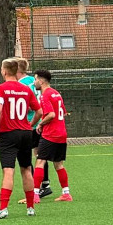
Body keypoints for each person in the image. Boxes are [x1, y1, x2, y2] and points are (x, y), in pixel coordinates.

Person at [0, 58, 40, 218]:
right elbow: (38, 111)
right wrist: (30, 124)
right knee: (26, 169)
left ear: (4, 71)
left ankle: (3, 208)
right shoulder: (26, 89)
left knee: (8, 171)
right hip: (26, 132)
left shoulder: (0, 89)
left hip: (9, 134)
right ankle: (30, 207)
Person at [33, 70, 72, 201]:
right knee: (58, 164)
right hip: (61, 133)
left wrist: (40, 124)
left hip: (50, 134)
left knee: (40, 162)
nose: (34, 82)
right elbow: (63, 113)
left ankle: (35, 195)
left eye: (35, 79)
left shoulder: (45, 95)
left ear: (41, 81)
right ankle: (66, 193)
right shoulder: (56, 93)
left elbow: (51, 114)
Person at [17, 57, 51, 196]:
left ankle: (34, 187)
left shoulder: (22, 85)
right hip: (41, 122)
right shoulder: (34, 80)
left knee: (25, 155)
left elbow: (29, 106)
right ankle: (45, 184)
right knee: (39, 153)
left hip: (31, 124)